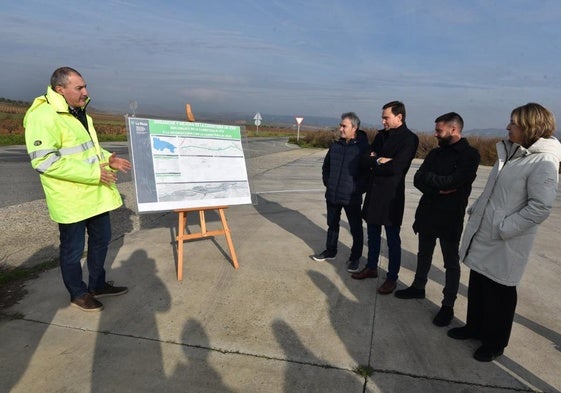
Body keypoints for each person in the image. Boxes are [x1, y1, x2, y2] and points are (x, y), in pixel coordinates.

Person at [448, 103, 561, 362]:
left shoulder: (543, 161)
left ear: (530, 126)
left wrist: (504, 228)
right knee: (478, 283)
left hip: (505, 239)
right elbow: (495, 192)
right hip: (486, 233)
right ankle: (474, 327)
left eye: (514, 123)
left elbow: (540, 207)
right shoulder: (511, 153)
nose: (508, 126)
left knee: (500, 292)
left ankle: (495, 342)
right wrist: (478, 209)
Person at [23, 67, 131, 312]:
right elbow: (44, 161)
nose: (86, 92)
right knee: (72, 251)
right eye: (79, 88)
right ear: (60, 89)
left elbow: (88, 150)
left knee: (101, 241)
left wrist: (107, 159)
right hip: (70, 198)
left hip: (94, 194)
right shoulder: (44, 116)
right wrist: (94, 173)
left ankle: (98, 284)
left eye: (85, 86)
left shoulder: (80, 113)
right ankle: (78, 293)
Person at [394, 112, 480, 327]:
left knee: (450, 262)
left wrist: (434, 182)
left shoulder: (470, 155)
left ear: (453, 129)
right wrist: (439, 187)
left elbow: (457, 181)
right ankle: (418, 287)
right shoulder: (434, 153)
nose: (435, 134)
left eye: (439, 130)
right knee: (423, 254)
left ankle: (448, 305)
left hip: (450, 217)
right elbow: (417, 179)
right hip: (428, 212)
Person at [352, 101, 419, 294]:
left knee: (392, 239)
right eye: (382, 117)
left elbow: (398, 167)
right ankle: (371, 267)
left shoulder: (409, 139)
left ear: (399, 117)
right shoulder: (381, 136)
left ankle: (391, 278)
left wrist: (375, 161)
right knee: (372, 234)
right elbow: (365, 160)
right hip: (374, 193)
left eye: (386, 117)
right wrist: (379, 160)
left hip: (391, 196)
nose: (382, 121)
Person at [313, 112, 369, 272]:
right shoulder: (335, 146)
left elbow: (367, 175)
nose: (340, 129)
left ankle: (355, 258)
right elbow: (326, 167)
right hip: (332, 194)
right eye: (340, 125)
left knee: (355, 228)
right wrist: (328, 183)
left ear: (354, 127)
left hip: (351, 197)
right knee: (332, 224)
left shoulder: (362, 148)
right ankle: (330, 251)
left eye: (344, 126)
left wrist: (356, 189)